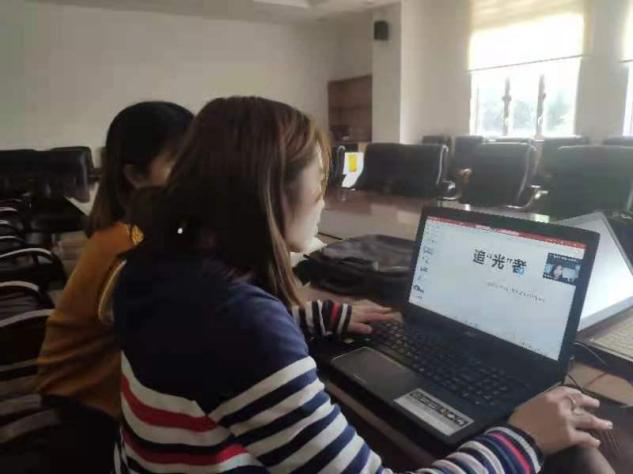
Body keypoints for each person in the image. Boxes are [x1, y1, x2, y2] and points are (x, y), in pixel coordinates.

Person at [113, 96, 612, 473]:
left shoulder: (155, 264)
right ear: (270, 191)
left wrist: (317, 316)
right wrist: (523, 438)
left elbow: (218, 349)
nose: (324, 197)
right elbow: (241, 341)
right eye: (320, 178)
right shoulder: (240, 325)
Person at [35, 101, 194, 472]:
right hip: (84, 402)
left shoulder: (126, 230)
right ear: (136, 175)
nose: (195, 174)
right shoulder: (130, 245)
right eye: (179, 163)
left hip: (81, 388)